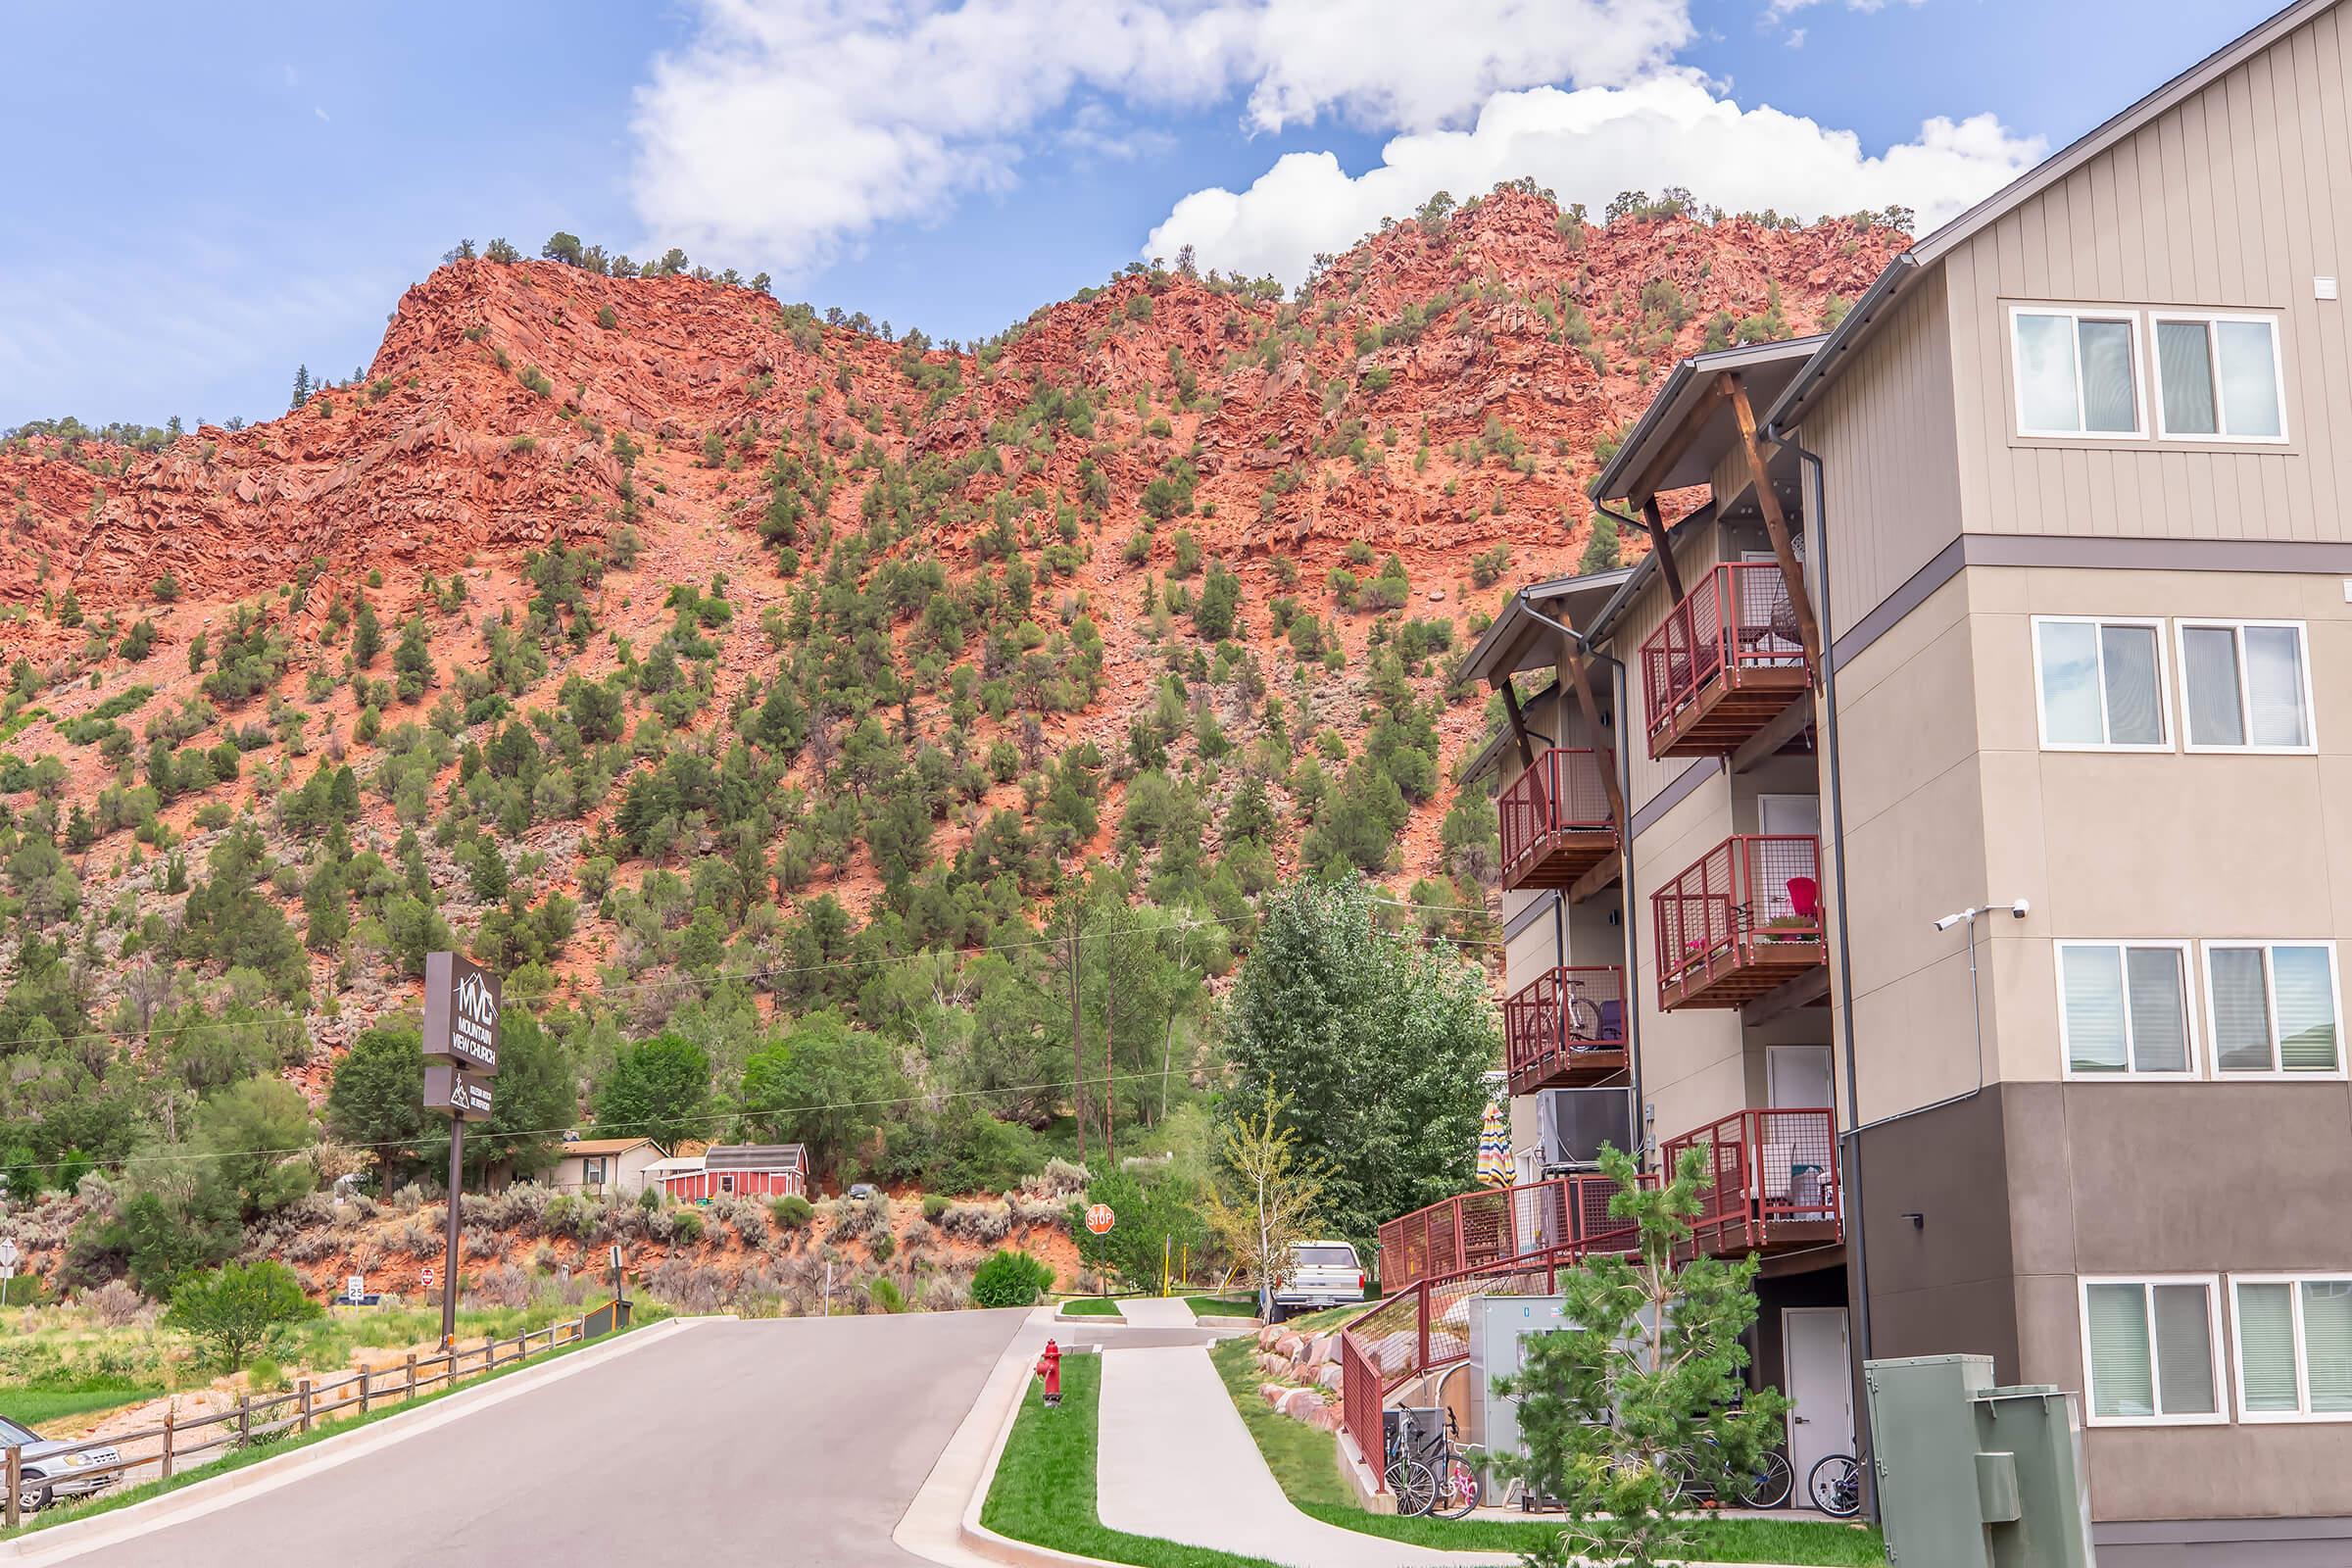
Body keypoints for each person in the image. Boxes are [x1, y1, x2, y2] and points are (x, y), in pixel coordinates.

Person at [1034, 1339, 1062, 1408]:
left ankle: (1052, 1393)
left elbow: (1050, 1369)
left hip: (1049, 1368)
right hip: (1049, 1368)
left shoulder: (1050, 1366)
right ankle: (1053, 1394)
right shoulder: (1050, 1366)